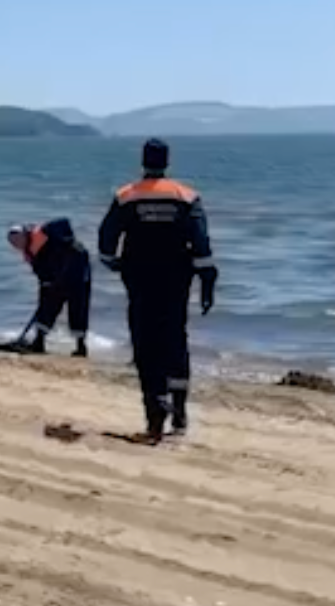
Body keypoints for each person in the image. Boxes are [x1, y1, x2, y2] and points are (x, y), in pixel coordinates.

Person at [98, 138, 217, 441]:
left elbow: (107, 236)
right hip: (176, 279)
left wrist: (113, 263)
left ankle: (154, 415)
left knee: (145, 344)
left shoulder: (127, 196)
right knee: (175, 339)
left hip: (139, 278)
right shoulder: (185, 196)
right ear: (167, 161)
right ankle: (179, 413)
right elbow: (201, 242)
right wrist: (207, 281)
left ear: (143, 161)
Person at [0, 217, 93, 358]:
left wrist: (57, 276)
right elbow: (42, 271)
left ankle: (80, 347)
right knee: (47, 307)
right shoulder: (30, 250)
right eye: (13, 243)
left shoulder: (46, 235)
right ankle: (39, 342)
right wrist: (46, 283)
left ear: (24, 234)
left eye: (17, 240)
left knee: (78, 308)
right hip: (54, 277)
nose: (16, 245)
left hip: (76, 271)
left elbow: (65, 227)